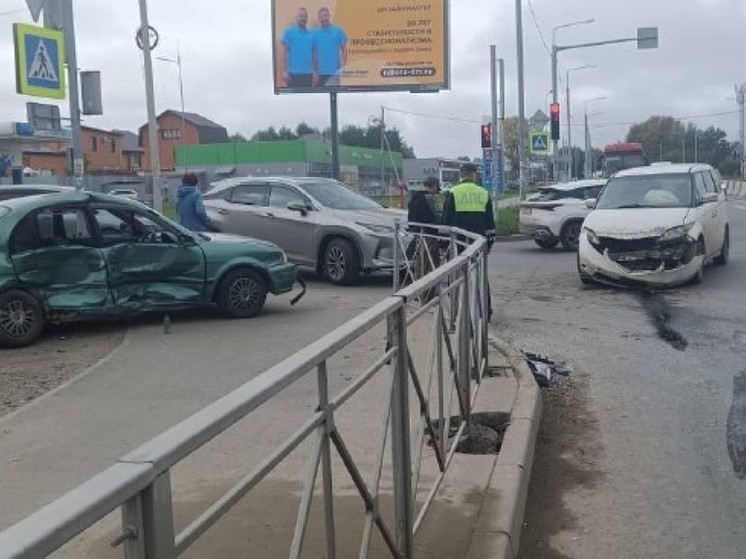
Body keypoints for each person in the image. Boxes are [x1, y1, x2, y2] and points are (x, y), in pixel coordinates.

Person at [443, 162, 495, 318]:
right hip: (478, 241)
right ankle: (485, 312)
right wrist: (489, 243)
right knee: (480, 276)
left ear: (461, 175)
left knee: (456, 275)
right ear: (474, 175)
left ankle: (457, 311)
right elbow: (490, 223)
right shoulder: (484, 193)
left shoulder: (453, 192)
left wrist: (444, 244)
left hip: (457, 242)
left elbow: (447, 222)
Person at [408, 177, 442, 281]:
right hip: (430, 235)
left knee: (420, 262)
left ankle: (419, 288)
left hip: (418, 234)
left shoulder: (414, 198)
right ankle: (428, 290)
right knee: (430, 263)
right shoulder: (429, 199)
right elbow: (436, 217)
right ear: (435, 186)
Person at [312, 7, 348, 87]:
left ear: (329, 16)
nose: (323, 18)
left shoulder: (338, 31)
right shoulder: (314, 34)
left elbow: (344, 50)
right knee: (320, 97)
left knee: (335, 95)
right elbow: (313, 53)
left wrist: (343, 67)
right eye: (321, 16)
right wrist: (314, 71)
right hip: (319, 73)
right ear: (319, 18)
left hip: (334, 73)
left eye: (325, 15)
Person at [281, 7, 314, 88]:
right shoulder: (289, 32)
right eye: (300, 16)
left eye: (305, 16)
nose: (303, 18)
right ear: (296, 18)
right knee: (294, 100)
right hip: (293, 75)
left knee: (308, 99)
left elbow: (315, 54)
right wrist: (284, 72)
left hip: (308, 74)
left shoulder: (312, 34)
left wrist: (316, 72)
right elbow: (283, 53)